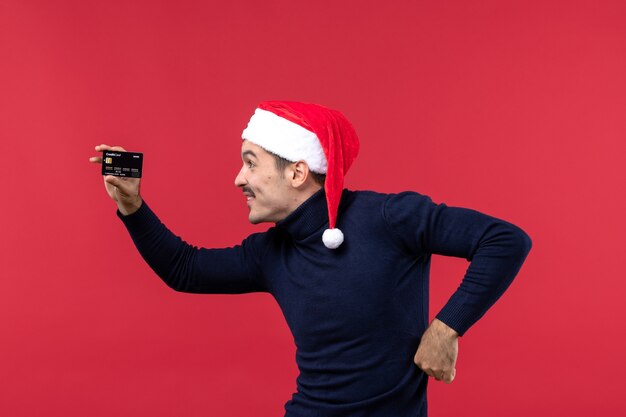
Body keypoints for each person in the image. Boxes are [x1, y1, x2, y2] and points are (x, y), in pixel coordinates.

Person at [89, 101, 532, 417]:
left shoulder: (389, 217)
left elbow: (504, 240)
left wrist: (445, 329)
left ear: (297, 172)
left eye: (250, 162)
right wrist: (131, 205)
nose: (238, 178)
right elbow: (183, 269)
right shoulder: (270, 251)